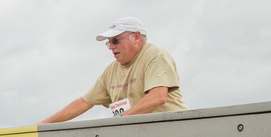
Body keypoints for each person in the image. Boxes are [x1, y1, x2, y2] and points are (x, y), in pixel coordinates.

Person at [39, 17, 187, 124]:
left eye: (115, 40)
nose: (111, 47)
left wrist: (118, 122)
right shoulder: (111, 70)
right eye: (108, 43)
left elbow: (157, 97)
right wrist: (42, 125)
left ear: (136, 37)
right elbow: (84, 102)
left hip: (173, 132)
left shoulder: (155, 56)